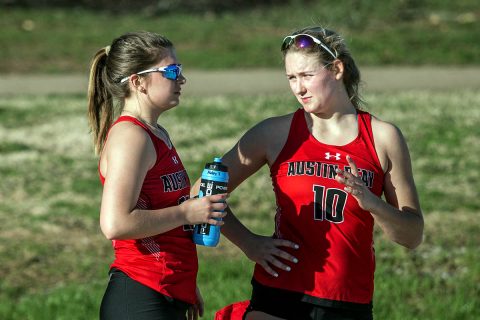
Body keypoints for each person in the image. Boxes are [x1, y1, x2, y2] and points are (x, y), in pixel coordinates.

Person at [215, 26, 424, 320]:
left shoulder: (383, 137)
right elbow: (206, 190)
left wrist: (374, 204)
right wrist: (248, 242)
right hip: (278, 294)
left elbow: (412, 236)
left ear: (336, 69)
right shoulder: (274, 133)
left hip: (347, 300)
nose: (298, 88)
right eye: (291, 77)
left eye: (307, 76)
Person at [87, 31, 227, 320]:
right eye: (172, 71)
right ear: (138, 81)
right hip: (139, 294)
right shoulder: (131, 136)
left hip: (166, 290)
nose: (182, 79)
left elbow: (163, 214)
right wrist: (188, 212)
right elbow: (115, 223)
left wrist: (185, 284)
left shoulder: (155, 132)